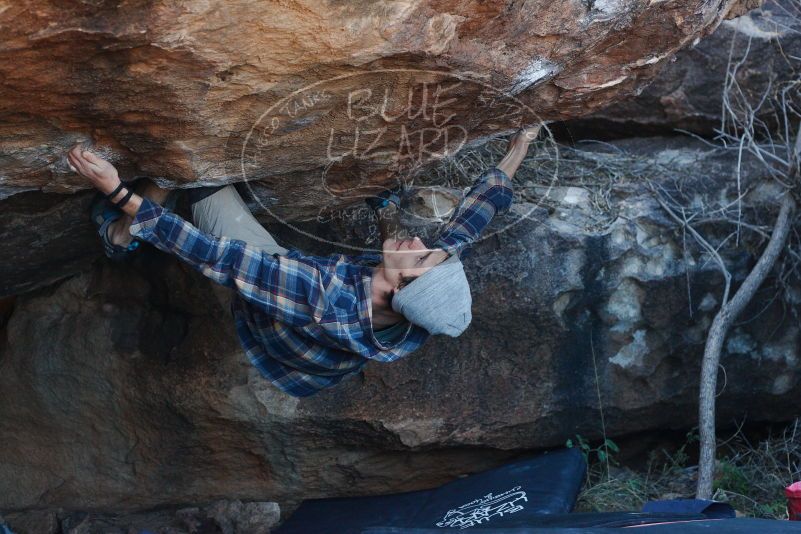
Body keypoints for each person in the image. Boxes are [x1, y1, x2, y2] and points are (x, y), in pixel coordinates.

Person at [67, 125, 541, 397]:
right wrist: (519, 147)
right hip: (334, 329)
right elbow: (469, 224)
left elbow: (212, 255)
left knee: (195, 177)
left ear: (399, 291)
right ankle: (384, 207)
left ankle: (119, 235)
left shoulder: (317, 296)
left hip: (282, 322)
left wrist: (117, 191)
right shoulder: (420, 297)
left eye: (419, 258)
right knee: (399, 239)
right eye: (431, 249)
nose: (420, 242)